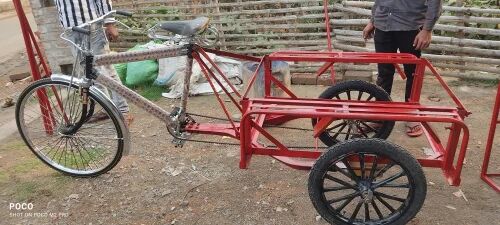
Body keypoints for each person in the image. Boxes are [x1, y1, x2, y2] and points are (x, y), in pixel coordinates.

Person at [363, 0, 442, 137]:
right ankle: (380, 114)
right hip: (383, 25)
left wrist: (427, 30)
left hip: (410, 27)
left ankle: (411, 113)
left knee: (413, 73)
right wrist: (373, 21)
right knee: (384, 72)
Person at [54, 0, 134, 126]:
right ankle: (109, 108)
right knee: (91, 74)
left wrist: (109, 23)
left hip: (91, 26)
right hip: (72, 30)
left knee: (106, 70)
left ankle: (123, 111)